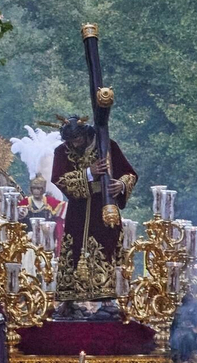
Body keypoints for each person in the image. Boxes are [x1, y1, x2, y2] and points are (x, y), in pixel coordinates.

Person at [50, 116, 135, 308]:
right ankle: (69, 302)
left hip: (103, 207)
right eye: (70, 140)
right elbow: (59, 179)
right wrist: (89, 173)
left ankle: (107, 301)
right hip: (77, 211)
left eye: (77, 139)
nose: (74, 144)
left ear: (86, 133)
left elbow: (129, 173)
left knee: (106, 248)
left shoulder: (107, 146)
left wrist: (120, 185)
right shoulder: (62, 151)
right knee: (73, 250)